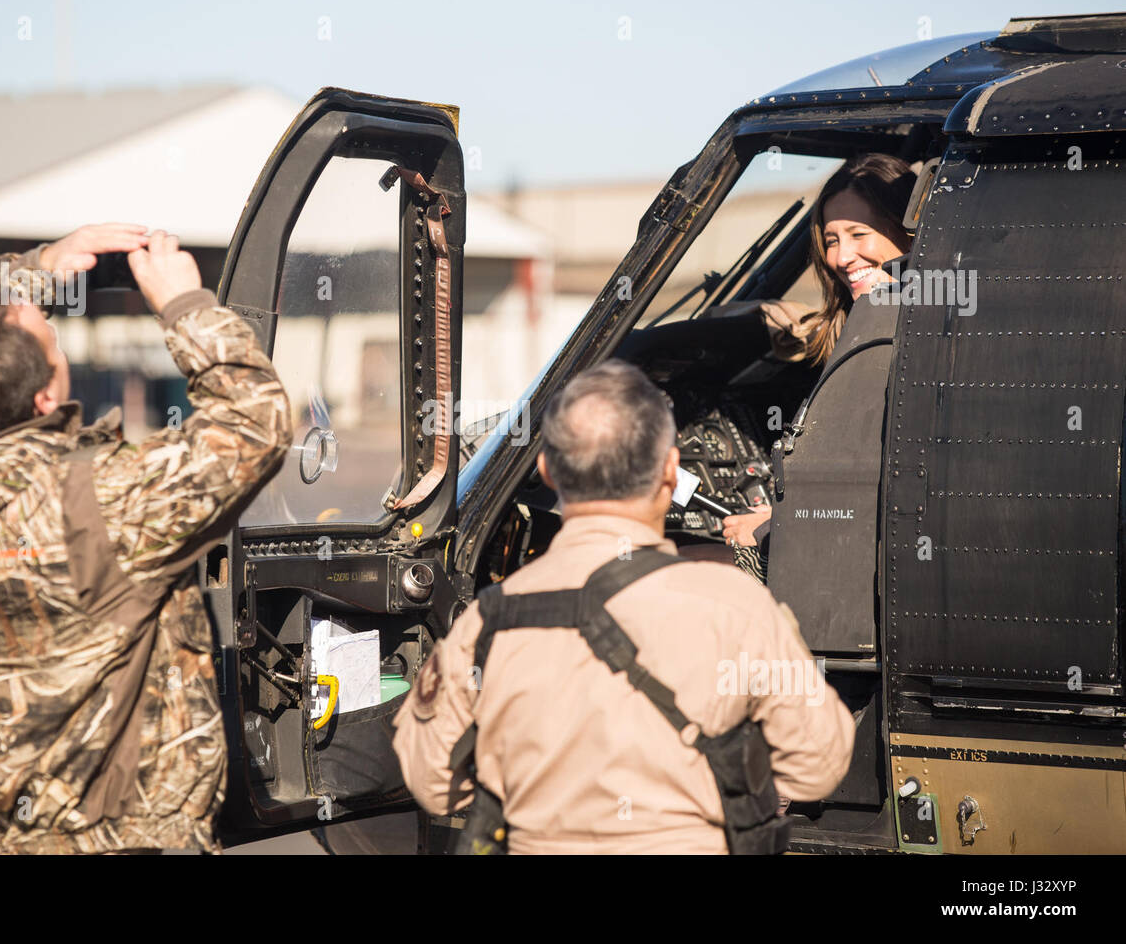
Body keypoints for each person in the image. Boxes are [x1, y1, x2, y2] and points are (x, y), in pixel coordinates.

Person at [0, 225, 293, 854]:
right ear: (44, 397)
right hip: (98, 838)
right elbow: (256, 423)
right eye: (48, 336)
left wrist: (33, 268)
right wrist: (184, 304)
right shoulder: (97, 504)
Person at [392, 359, 854, 853]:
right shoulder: (737, 608)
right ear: (671, 470)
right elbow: (819, 765)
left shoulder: (487, 623)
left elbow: (432, 781)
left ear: (546, 468)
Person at [722, 153, 916, 554]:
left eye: (858, 234)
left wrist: (776, 525)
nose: (841, 258)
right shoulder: (857, 328)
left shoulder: (919, 339)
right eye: (831, 240)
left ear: (908, 232)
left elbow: (889, 488)